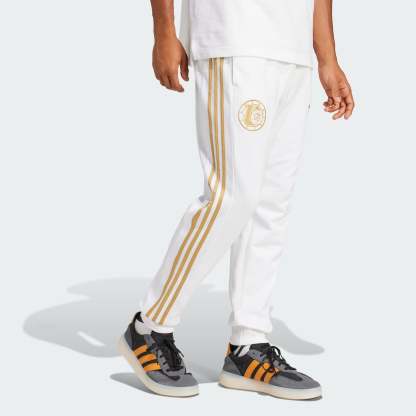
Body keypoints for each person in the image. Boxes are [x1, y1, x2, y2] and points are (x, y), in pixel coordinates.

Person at [119, 0, 354, 399]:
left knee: (270, 204)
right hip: (233, 38)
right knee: (232, 197)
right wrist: (164, 31)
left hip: (292, 51)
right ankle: (149, 326)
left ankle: (249, 344)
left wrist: (327, 58)